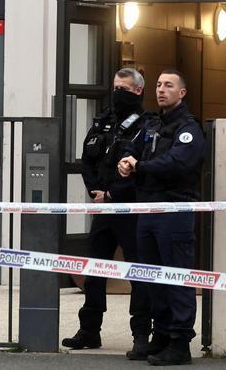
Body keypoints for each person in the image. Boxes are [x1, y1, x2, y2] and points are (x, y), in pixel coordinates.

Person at [118, 69, 206, 366]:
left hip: (174, 211)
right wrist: (126, 161)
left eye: (169, 85)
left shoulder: (189, 128)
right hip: (148, 211)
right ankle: (163, 335)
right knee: (153, 278)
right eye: (158, 85)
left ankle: (180, 344)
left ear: (182, 93)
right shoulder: (151, 124)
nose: (161, 89)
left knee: (177, 279)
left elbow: (178, 163)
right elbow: (132, 148)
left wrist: (140, 166)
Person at [61, 68, 152, 352]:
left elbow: (143, 170)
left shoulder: (146, 127)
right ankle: (89, 330)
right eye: (114, 88)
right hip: (103, 209)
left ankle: (140, 336)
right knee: (95, 270)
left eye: (123, 89)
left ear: (138, 91)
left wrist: (112, 194)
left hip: (130, 209)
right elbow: (87, 161)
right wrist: (95, 193)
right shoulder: (102, 123)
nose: (117, 94)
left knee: (138, 273)